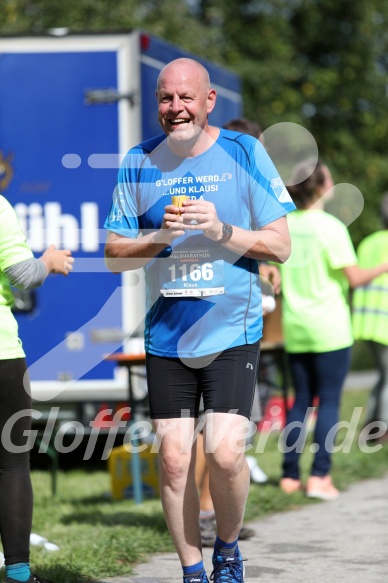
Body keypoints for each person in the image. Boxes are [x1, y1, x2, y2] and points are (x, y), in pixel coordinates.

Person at [104, 58, 294, 583]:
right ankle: (192, 570)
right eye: (166, 98)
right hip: (168, 335)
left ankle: (228, 550)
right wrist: (159, 238)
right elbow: (115, 253)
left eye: (186, 97)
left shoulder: (244, 152)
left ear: (210, 102)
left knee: (227, 452)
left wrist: (222, 229)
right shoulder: (138, 161)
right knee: (172, 460)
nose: (175, 108)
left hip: (233, 330)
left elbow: (280, 246)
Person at [278, 159, 388, 500]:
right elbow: (355, 278)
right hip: (329, 329)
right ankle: (320, 477)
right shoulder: (330, 228)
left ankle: (289, 477)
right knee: (328, 402)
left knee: (299, 402)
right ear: (322, 186)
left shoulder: (282, 225)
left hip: (295, 327)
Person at [195, 118, 280, 548]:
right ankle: (204, 513)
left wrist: (262, 267)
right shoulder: (216, 183)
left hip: (233, 319)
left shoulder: (242, 184)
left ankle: (210, 513)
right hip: (207, 319)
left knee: (219, 432)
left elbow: (260, 242)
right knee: (205, 431)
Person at [0, 194, 74, 583]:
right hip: (1, 356)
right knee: (11, 463)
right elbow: (22, 274)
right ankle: (17, 573)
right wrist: (49, 261)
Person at [352, 193, 388, 444]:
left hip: (367, 322)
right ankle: (382, 429)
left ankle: (370, 425)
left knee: (384, 375)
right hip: (384, 323)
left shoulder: (368, 242)